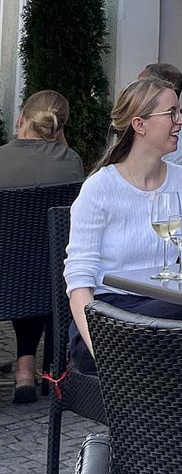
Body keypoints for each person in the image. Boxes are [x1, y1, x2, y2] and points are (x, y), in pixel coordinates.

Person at [64, 78, 182, 375]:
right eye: (172, 113)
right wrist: (101, 351)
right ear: (140, 125)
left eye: (180, 111)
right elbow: (79, 284)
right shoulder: (100, 189)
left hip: (170, 304)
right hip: (108, 317)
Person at [0, 90, 83, 403]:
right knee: (31, 269)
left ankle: (24, 369)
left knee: (16, 268)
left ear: (21, 119)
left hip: (5, 274)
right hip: (49, 280)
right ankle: (26, 370)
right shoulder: (71, 162)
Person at [139, 63, 182, 169]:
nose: (135, 92)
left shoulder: (178, 141)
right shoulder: (146, 129)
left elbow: (179, 183)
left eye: (141, 87)